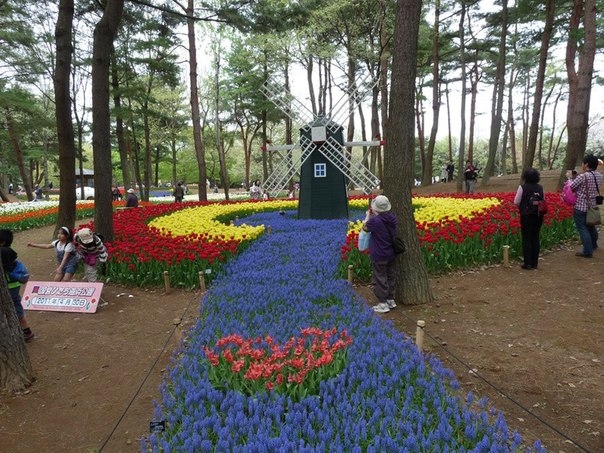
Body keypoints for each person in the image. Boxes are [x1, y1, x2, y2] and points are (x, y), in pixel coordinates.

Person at [362, 195, 398, 313]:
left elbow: (365, 228)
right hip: (391, 253)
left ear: (375, 208)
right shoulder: (392, 218)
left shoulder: (374, 221)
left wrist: (368, 216)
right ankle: (390, 299)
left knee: (380, 277)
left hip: (379, 254)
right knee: (390, 276)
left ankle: (383, 303)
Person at [0, 230, 34, 342]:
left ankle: (25, 331)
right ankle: (26, 330)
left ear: (2, 242)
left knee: (13, 307)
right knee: (15, 306)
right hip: (13, 284)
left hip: (10, 286)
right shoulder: (8, 250)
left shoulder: (4, 251)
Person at [570, 154, 603, 258]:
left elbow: (572, 187)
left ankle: (587, 251)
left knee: (582, 228)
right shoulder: (599, 175)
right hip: (592, 205)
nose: (582, 165)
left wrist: (571, 178)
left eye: (583, 163)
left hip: (581, 206)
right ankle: (594, 245)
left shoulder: (582, 176)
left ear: (586, 164)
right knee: (591, 225)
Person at [513, 168, 545, 270]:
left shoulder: (522, 187)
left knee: (527, 238)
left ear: (525, 177)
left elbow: (516, 201)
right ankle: (535, 263)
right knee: (535, 237)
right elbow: (543, 200)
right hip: (538, 215)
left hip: (526, 215)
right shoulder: (540, 188)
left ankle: (528, 263)